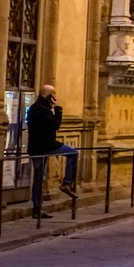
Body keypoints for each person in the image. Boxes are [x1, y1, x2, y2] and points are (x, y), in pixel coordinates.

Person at [25, 84, 79, 220]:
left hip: (36, 147)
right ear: (48, 95)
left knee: (38, 179)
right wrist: (58, 109)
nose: (55, 97)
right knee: (73, 153)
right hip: (47, 145)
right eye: (53, 94)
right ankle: (66, 183)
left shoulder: (35, 108)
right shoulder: (43, 110)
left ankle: (37, 209)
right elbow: (56, 125)